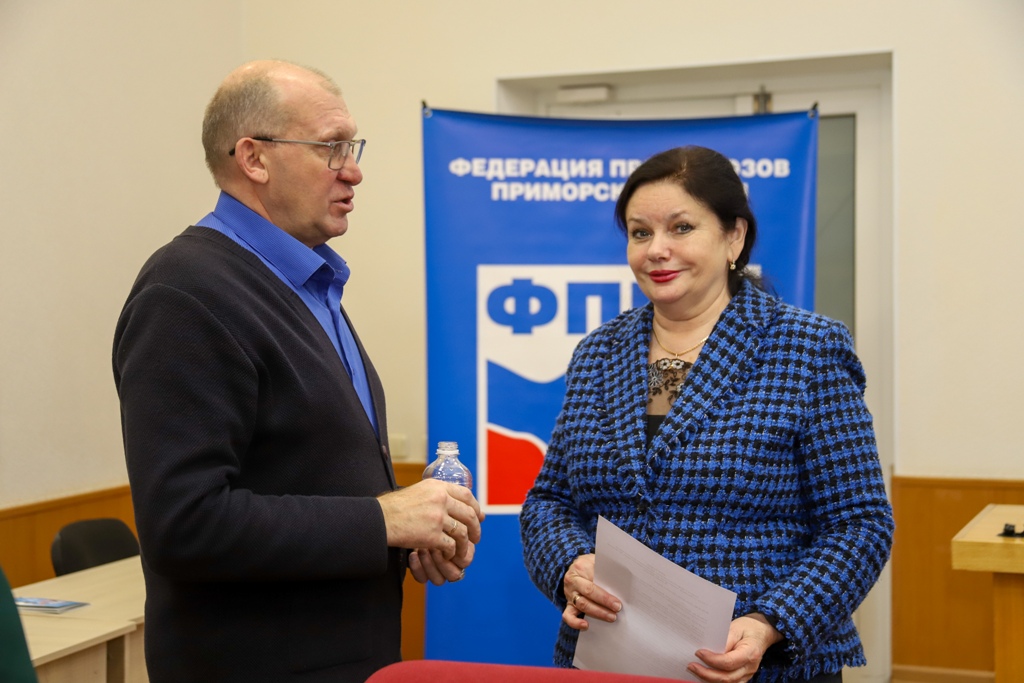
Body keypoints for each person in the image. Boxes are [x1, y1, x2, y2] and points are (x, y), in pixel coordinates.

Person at [112, 60, 483, 683]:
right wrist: (384, 520)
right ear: (254, 159)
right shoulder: (186, 291)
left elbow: (308, 473)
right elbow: (184, 524)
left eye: (352, 147)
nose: (353, 170)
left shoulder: (308, 282)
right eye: (331, 147)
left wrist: (407, 533)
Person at [520, 146, 894, 683]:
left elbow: (860, 523)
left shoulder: (807, 348)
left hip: (760, 667)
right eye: (641, 233)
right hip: (611, 662)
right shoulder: (599, 353)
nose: (657, 250)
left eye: (681, 228)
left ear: (734, 237)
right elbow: (549, 501)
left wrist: (770, 623)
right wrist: (569, 565)